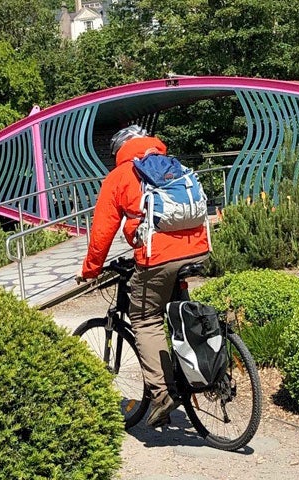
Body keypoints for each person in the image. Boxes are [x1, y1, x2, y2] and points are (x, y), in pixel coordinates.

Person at [79, 125, 211, 428]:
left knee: (144, 317)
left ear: (118, 152)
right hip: (198, 249)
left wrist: (90, 271)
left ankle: (162, 394)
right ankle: (207, 373)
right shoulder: (172, 164)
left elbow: (101, 234)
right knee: (179, 312)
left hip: (159, 257)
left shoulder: (120, 176)